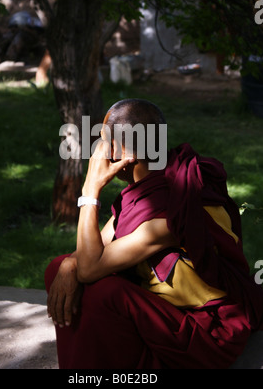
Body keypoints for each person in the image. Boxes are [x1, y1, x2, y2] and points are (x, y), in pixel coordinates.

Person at [45, 98, 263, 369]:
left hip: (204, 332)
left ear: (125, 153)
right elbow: (94, 249)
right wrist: (69, 263)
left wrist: (89, 193)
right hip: (166, 313)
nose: (98, 151)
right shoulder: (150, 186)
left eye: (103, 142)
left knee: (103, 292)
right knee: (59, 268)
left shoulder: (173, 208)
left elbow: (89, 268)